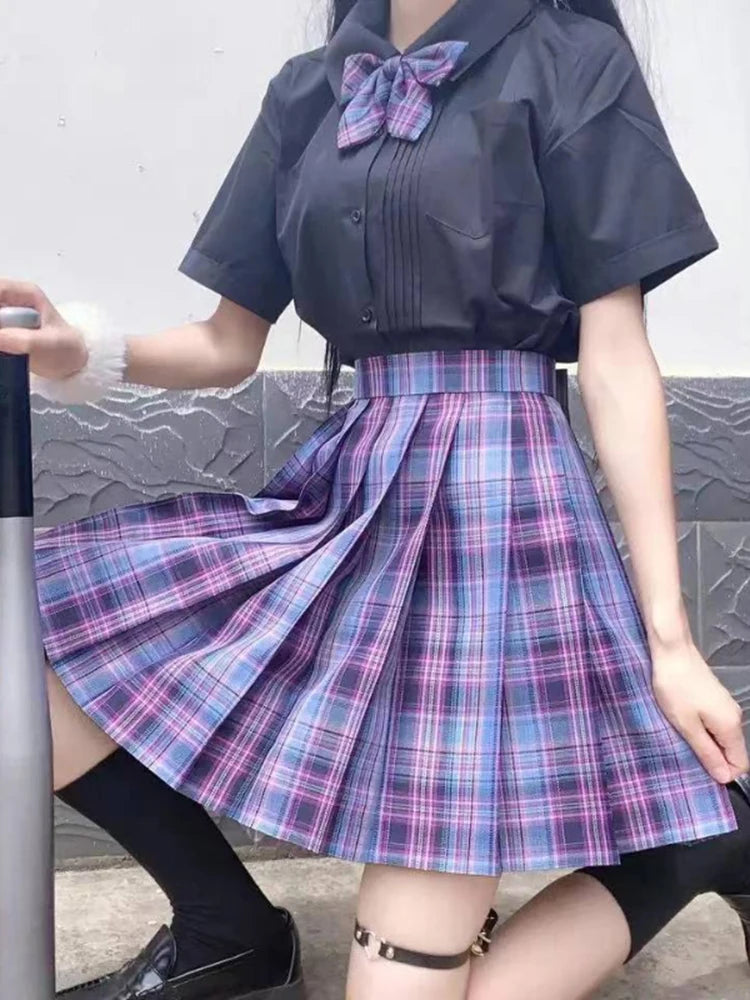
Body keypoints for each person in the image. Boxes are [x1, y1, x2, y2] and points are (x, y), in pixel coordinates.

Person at [1, 0, 748, 998]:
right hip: (356, 486)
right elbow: (226, 342)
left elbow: (616, 360)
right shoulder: (310, 91)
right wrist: (82, 351)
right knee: (18, 635)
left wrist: (673, 645)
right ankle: (227, 926)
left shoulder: (571, 60)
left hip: (497, 511)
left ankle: (703, 845)